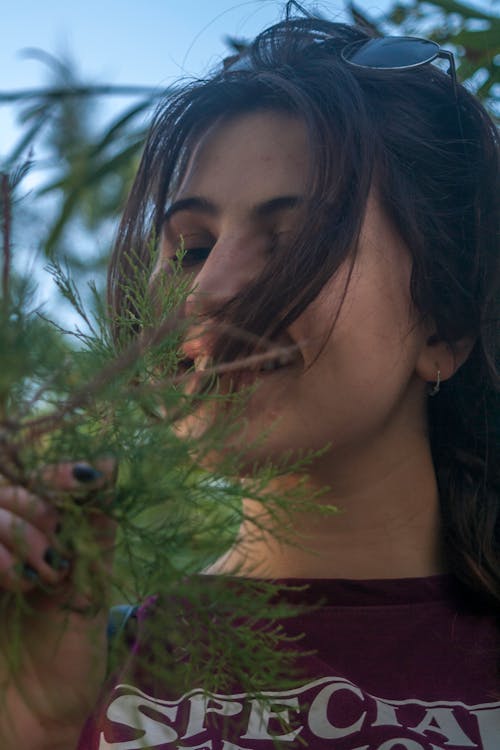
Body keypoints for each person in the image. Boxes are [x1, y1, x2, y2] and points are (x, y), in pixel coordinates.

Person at [0, 6, 499, 750]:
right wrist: (37, 728)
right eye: (192, 249)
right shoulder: (86, 666)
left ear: (445, 325)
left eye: (295, 240)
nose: (207, 294)